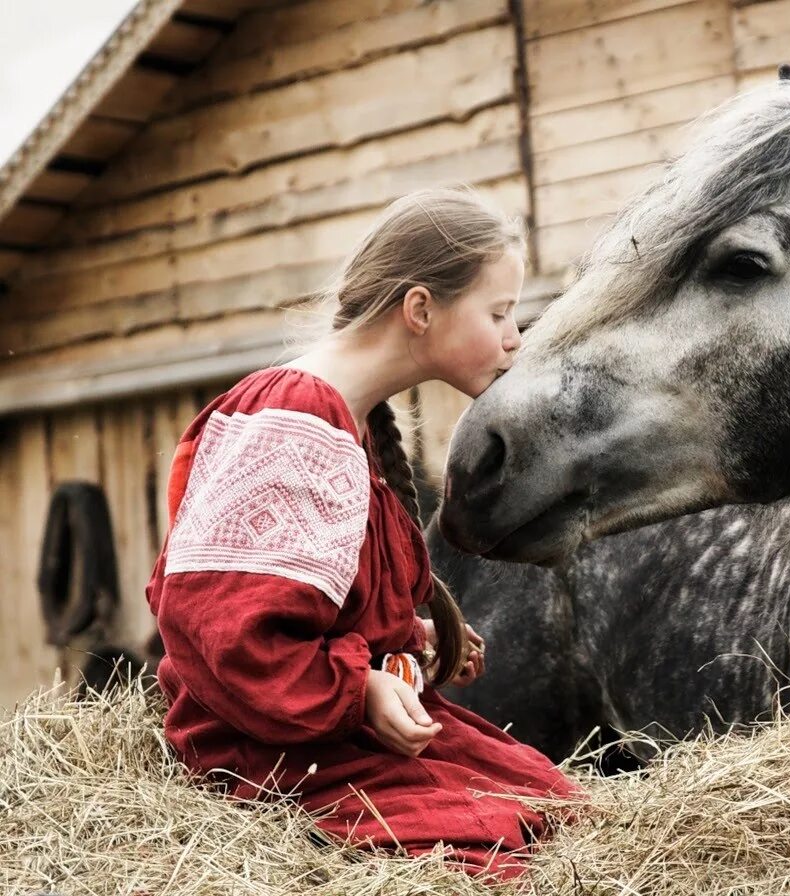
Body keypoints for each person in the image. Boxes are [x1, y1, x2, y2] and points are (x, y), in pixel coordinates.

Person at [144, 188, 580, 882]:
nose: (513, 337)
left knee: (561, 810)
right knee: (501, 850)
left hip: (327, 737)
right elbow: (224, 630)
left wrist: (410, 647)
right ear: (420, 309)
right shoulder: (296, 418)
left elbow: (320, 603)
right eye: (498, 312)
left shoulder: (344, 419)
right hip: (273, 752)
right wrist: (359, 690)